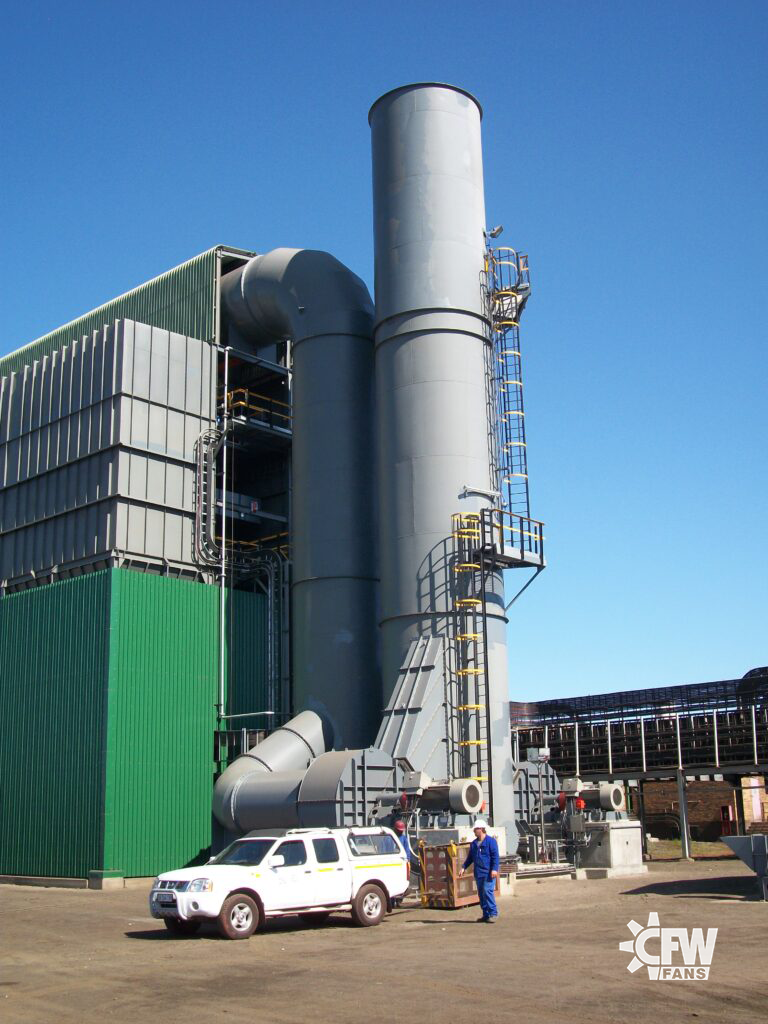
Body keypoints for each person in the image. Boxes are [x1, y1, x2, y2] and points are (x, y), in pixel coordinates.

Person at [458, 819, 500, 922]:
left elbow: (495, 857)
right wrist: (463, 867)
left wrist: (494, 869)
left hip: (488, 872)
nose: (474, 831)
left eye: (475, 829)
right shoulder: (474, 844)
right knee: (481, 894)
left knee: (487, 891)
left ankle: (493, 913)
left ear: (481, 829)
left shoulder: (491, 842)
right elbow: (470, 858)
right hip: (479, 873)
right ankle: (486, 914)